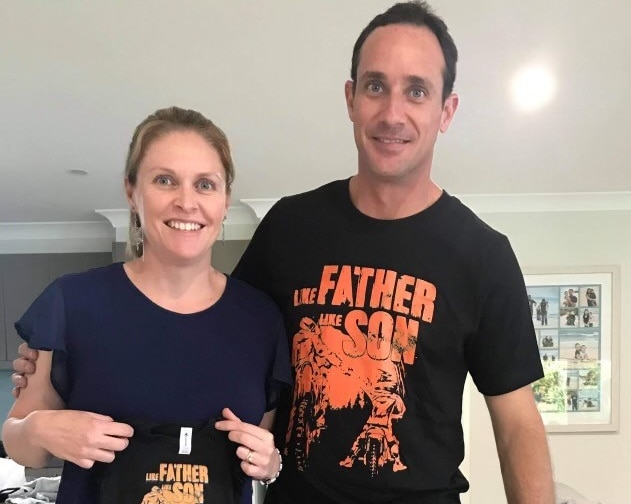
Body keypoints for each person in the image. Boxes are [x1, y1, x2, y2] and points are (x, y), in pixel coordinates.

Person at [14, 3, 555, 503]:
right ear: (350, 98)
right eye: (375, 86)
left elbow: (517, 424)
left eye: (417, 91)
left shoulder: (483, 256)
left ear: (447, 110)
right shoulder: (291, 227)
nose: (393, 112)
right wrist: (57, 366)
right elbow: (217, 329)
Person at [4, 107, 290, 504]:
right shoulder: (74, 302)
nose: (186, 202)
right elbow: (18, 440)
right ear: (131, 192)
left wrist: (271, 462)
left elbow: (264, 446)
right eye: (165, 180)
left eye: (205, 184)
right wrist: (38, 429)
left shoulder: (261, 319)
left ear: (225, 202)